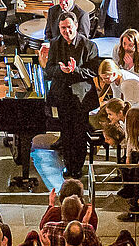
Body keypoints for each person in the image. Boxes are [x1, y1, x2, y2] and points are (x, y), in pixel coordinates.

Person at [39, 13, 101, 178]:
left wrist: (76, 70)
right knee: (66, 133)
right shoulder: (55, 44)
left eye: (69, 27)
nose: (66, 31)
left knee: (79, 134)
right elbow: (49, 69)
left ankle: (77, 167)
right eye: (63, 28)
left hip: (81, 97)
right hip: (62, 96)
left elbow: (93, 70)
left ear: (76, 26)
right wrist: (61, 70)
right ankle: (68, 165)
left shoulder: (89, 45)